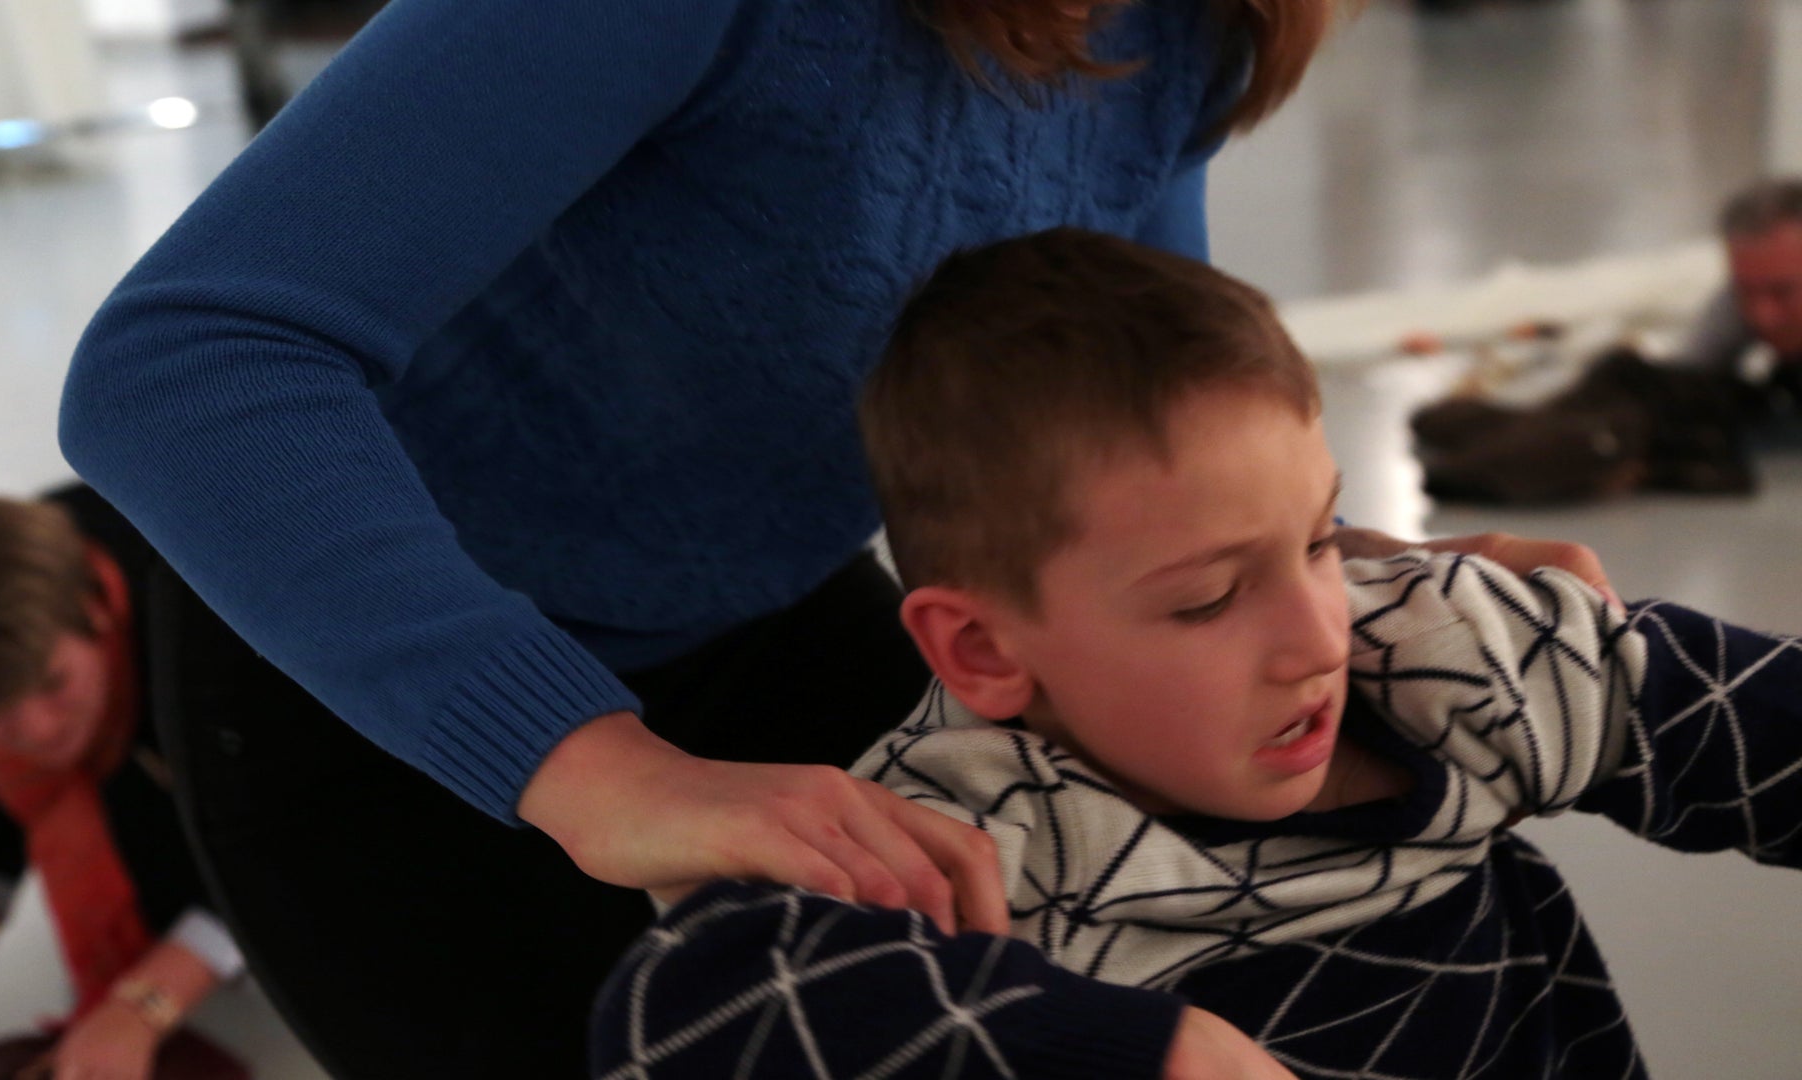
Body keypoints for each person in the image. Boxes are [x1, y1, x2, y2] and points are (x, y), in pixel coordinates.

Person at [54, 1, 1359, 1075]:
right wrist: (602, 771)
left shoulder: (1197, 23)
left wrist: (1363, 577)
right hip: (380, 676)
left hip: (761, 610)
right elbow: (181, 365)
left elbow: (1130, 443)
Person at [588, 229, 1802, 1078]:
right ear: (985, 649)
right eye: (1209, 599)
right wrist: (1123, 1048)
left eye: (1322, 539)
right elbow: (681, 1011)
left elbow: (1761, 727)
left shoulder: (1439, 656)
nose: (1317, 640)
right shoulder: (981, 839)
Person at [0, 486, 246, 1080]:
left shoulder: (203, 617)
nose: (37, 734)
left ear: (98, 609)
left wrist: (144, 1004)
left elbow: (300, 827)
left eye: (53, 683)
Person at [1675, 177, 1802, 410]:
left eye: (1782, 292)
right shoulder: (1737, 301)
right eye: (1745, 291)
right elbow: (1681, 380)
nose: (1763, 316)